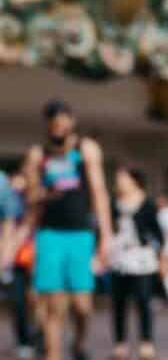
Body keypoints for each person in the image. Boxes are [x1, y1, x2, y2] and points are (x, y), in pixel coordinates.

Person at [24, 99, 113, 360]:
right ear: (48, 125)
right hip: (50, 234)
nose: (59, 125)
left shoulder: (86, 149)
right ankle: (54, 354)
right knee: (53, 305)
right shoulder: (38, 154)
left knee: (82, 305)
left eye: (63, 119)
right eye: (53, 121)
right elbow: (30, 198)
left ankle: (79, 343)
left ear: (71, 120)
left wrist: (105, 236)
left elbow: (98, 193)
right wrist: (40, 192)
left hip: (81, 235)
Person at [109, 166, 165, 360]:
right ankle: (120, 343)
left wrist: (154, 248)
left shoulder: (147, 204)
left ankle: (146, 342)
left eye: (123, 178)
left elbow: (158, 233)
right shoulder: (114, 203)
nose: (120, 182)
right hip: (118, 259)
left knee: (143, 301)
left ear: (134, 180)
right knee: (118, 302)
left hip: (141, 259)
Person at [2, 172, 40, 359]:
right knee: (18, 302)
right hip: (17, 261)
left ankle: (39, 337)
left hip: (38, 259)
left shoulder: (37, 204)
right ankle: (24, 340)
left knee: (38, 301)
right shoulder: (8, 205)